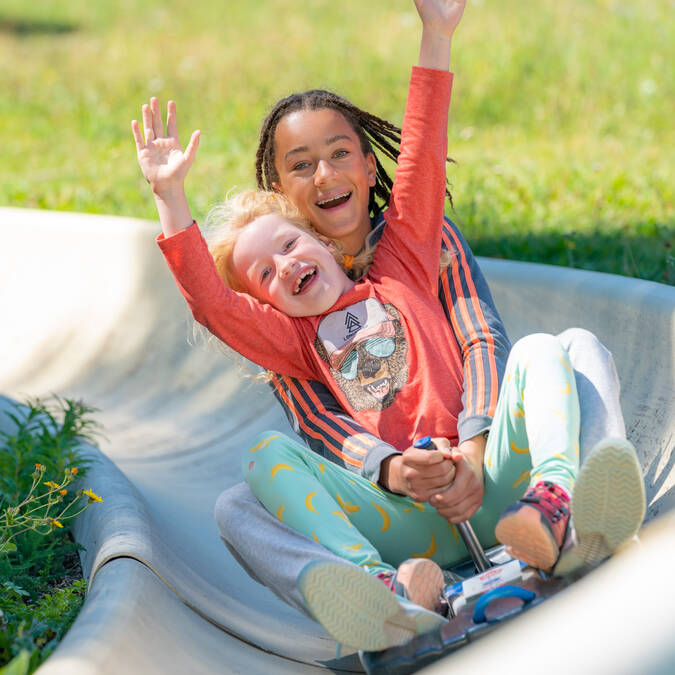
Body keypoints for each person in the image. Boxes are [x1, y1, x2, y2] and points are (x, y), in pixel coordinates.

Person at [132, 0, 646, 651]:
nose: (284, 265)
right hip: (405, 514)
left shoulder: (407, 250)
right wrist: (168, 198)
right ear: (292, 202)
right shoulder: (291, 339)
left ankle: (565, 509)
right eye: (264, 275)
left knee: (554, 348)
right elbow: (211, 303)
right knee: (246, 482)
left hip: (493, 473)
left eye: (287, 248)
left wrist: (436, 33)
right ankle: (384, 592)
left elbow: (423, 155)